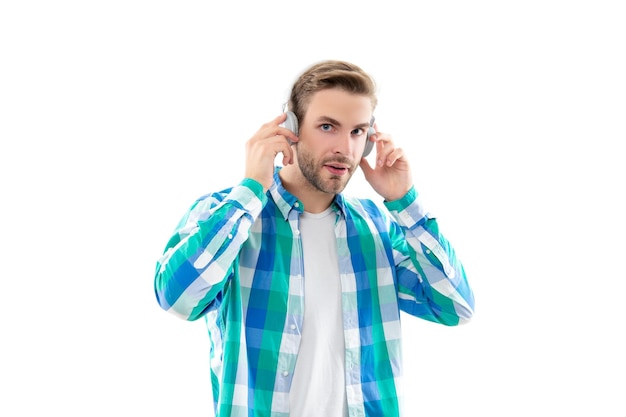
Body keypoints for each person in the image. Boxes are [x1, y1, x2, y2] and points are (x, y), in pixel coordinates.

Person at [154, 59, 475, 417]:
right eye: (327, 127)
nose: (346, 149)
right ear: (290, 129)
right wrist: (250, 190)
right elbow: (177, 300)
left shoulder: (378, 229)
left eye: (357, 132)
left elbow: (456, 307)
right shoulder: (226, 215)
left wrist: (405, 203)